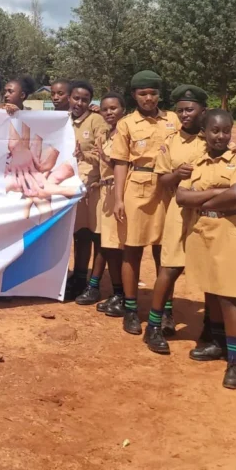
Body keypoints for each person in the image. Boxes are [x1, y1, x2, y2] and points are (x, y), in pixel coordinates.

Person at [176, 110, 236, 389]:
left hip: (233, 232)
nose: (221, 136)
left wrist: (204, 201)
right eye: (215, 130)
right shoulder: (195, 161)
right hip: (204, 233)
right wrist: (217, 194)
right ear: (204, 132)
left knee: (229, 296)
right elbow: (181, 196)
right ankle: (217, 342)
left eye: (226, 130)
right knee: (211, 290)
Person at [108, 70, 181, 334]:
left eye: (153, 93)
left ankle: (165, 311)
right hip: (137, 188)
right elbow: (120, 162)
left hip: (168, 189)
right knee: (132, 249)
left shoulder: (173, 119)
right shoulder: (127, 124)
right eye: (142, 94)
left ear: (159, 94)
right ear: (134, 96)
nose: (148, 98)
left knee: (165, 252)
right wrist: (118, 198)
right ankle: (131, 310)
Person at [144, 85, 211, 354]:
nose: (184, 115)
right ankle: (154, 326)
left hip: (208, 213)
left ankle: (211, 328)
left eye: (190, 109)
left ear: (202, 111)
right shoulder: (170, 143)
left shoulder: (214, 139)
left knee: (209, 271)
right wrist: (177, 174)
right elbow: (162, 181)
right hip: (178, 211)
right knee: (169, 268)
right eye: (180, 110)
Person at [79, 92, 127, 309]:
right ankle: (117, 293)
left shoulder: (127, 134)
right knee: (107, 245)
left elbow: (123, 163)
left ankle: (125, 295)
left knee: (119, 247)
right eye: (106, 108)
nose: (109, 112)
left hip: (121, 193)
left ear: (123, 110)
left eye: (114, 108)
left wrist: (106, 160)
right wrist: (82, 155)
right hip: (105, 193)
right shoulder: (105, 135)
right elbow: (100, 161)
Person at [67, 81, 108, 300]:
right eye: (76, 98)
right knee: (79, 234)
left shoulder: (96, 121)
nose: (79, 103)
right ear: (69, 98)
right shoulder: (63, 120)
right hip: (69, 188)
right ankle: (79, 277)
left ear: (90, 101)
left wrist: (83, 156)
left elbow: (102, 154)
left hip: (92, 188)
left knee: (97, 235)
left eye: (84, 99)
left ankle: (94, 284)